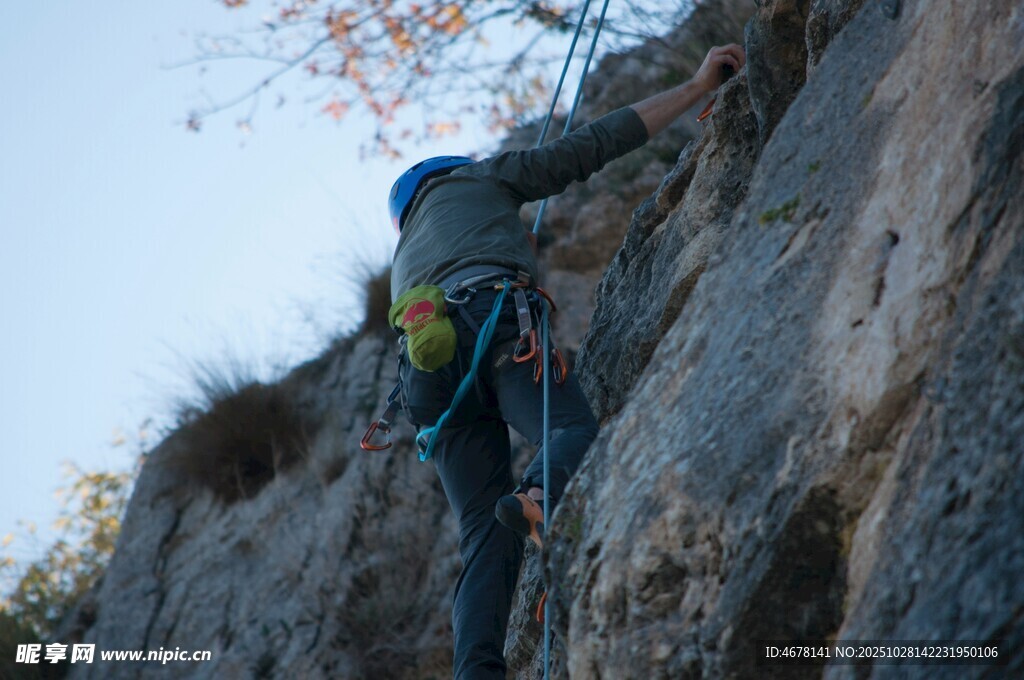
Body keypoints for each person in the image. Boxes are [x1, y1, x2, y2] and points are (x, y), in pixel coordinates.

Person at [388, 44, 746, 680]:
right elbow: (591, 145)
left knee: (480, 536)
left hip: (426, 380)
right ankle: (537, 497)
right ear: (453, 172)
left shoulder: (405, 261)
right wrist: (696, 87)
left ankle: (476, 670)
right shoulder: (480, 179)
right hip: (492, 324)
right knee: (570, 431)